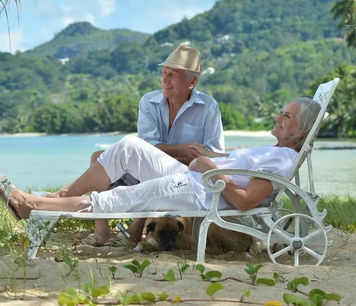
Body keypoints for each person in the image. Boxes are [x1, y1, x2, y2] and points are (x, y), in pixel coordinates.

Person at [0, 98, 321, 227]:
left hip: (198, 191)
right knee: (129, 146)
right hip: (196, 178)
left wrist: (212, 170)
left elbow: (248, 201)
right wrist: (212, 159)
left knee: (120, 199)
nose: (279, 117)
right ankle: (53, 199)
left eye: (287, 116)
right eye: (281, 112)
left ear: (300, 129)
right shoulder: (274, 149)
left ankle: (32, 204)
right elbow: (238, 170)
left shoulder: (281, 157)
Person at [47, 45, 224, 247]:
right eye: (164, 73)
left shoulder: (208, 107)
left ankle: (130, 227)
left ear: (192, 82)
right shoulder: (149, 101)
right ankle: (101, 230)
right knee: (98, 156)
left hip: (185, 177)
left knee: (135, 158)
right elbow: (147, 145)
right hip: (153, 166)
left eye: (173, 75)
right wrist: (182, 150)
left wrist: (175, 156)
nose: (165, 79)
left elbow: (213, 155)